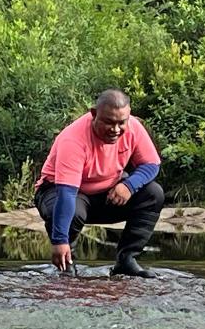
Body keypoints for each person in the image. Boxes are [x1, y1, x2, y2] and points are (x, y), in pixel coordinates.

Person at [35, 89, 164, 278]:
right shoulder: (73, 140)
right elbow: (67, 194)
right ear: (94, 114)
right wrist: (59, 240)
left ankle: (126, 260)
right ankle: (66, 265)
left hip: (107, 194)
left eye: (121, 123)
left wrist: (129, 185)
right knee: (73, 212)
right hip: (61, 193)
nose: (116, 129)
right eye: (109, 122)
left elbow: (152, 165)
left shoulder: (134, 127)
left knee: (153, 193)